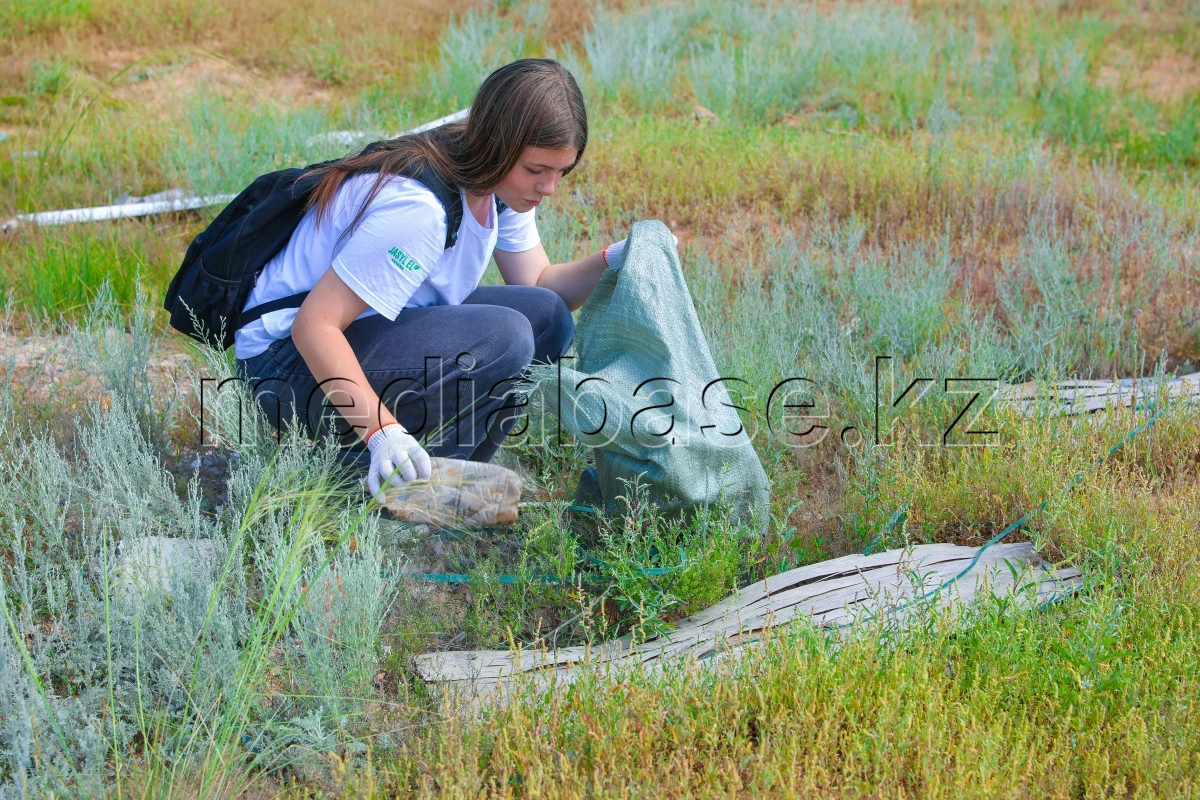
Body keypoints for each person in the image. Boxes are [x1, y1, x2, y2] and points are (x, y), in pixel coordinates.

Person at [235, 58, 631, 498]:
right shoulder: (419, 210)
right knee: (506, 336)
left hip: (361, 331)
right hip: (283, 365)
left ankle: (448, 478)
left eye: (562, 172)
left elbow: (540, 283)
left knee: (548, 319)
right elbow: (314, 327)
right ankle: (377, 488)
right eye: (536, 170)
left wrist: (612, 259)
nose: (549, 188)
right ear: (498, 145)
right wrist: (383, 432)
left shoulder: (498, 185)